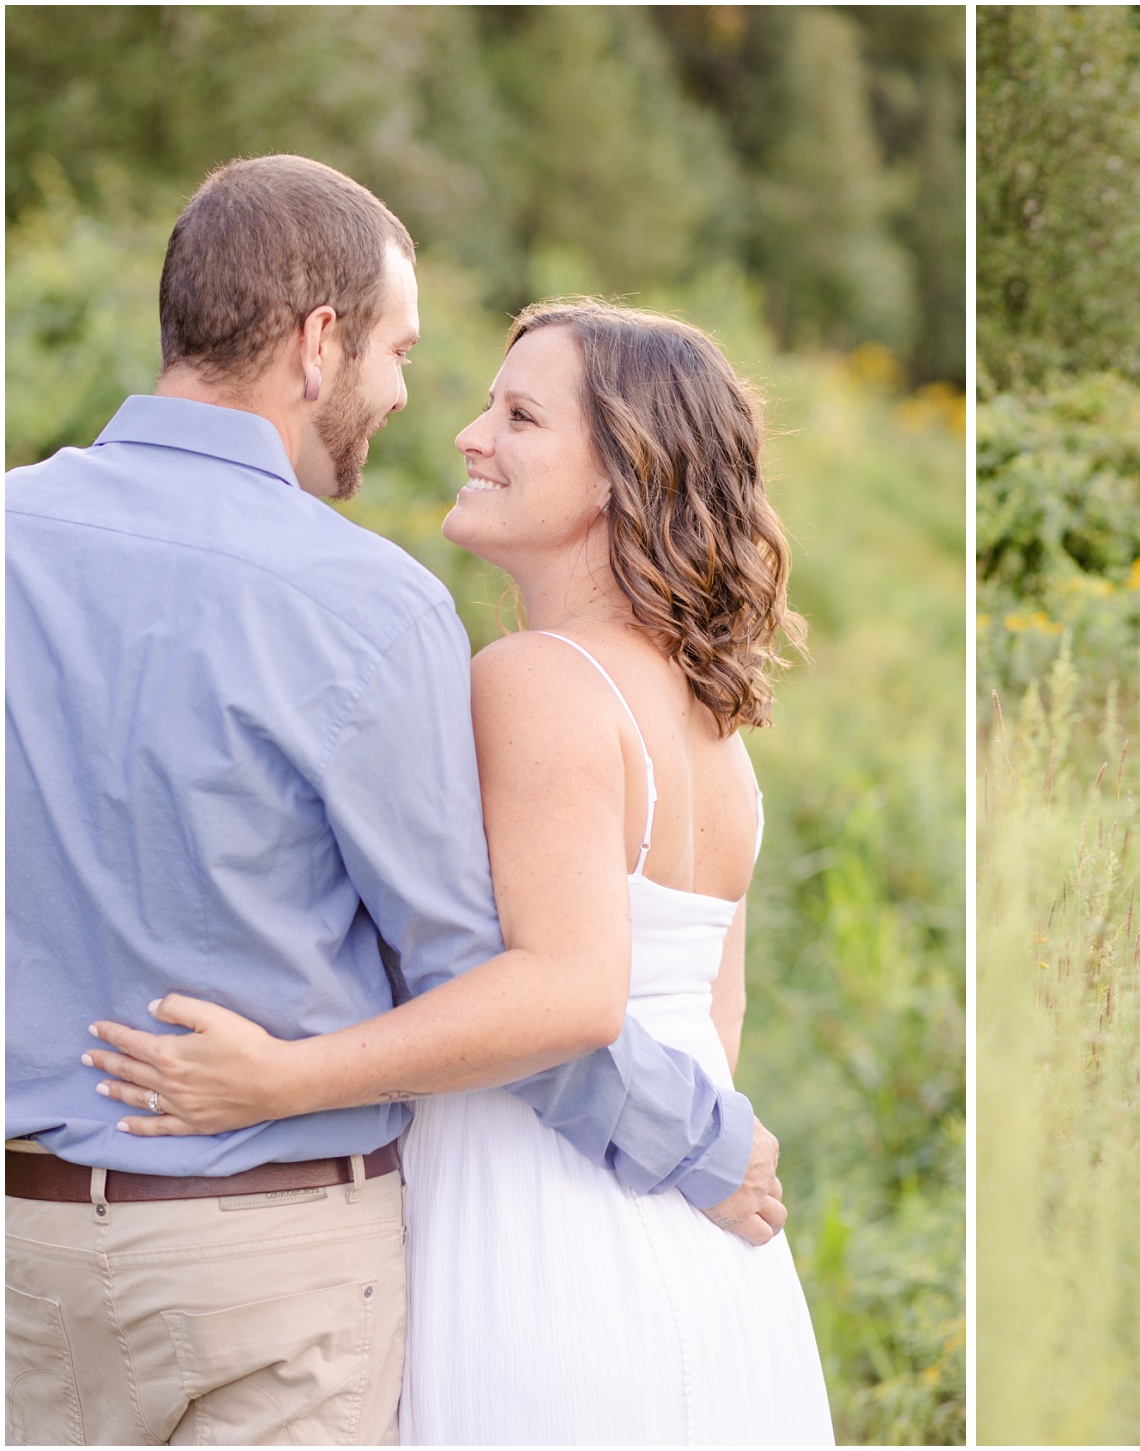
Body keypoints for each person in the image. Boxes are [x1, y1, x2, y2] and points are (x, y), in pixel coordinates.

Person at [6, 155, 783, 1445]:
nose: (429, 412)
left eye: (513, 417)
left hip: (23, 1250)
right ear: (320, 345)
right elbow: (472, 960)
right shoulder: (375, 609)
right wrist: (702, 1135)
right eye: (404, 354)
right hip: (284, 1254)